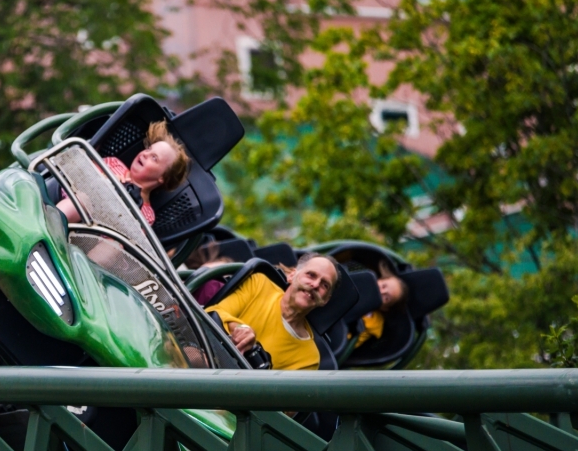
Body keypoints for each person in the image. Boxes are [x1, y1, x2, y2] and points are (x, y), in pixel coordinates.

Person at [205, 252, 339, 370]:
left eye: (324, 285)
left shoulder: (310, 358)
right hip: (206, 356)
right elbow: (213, 311)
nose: (315, 285)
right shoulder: (260, 284)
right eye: (311, 275)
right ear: (292, 275)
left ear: (326, 299)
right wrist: (240, 329)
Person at [56, 120, 189, 225]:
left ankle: (85, 260)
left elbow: (132, 238)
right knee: (84, 199)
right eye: (148, 149)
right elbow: (81, 174)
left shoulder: (146, 214)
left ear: (163, 177)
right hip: (75, 202)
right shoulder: (114, 164)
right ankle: (52, 221)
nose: (145, 154)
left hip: (94, 233)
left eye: (154, 158)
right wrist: (108, 181)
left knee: (115, 246)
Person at [354, 261, 409, 347]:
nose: (381, 292)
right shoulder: (357, 276)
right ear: (379, 279)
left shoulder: (373, 323)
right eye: (383, 286)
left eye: (386, 298)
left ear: (385, 308)